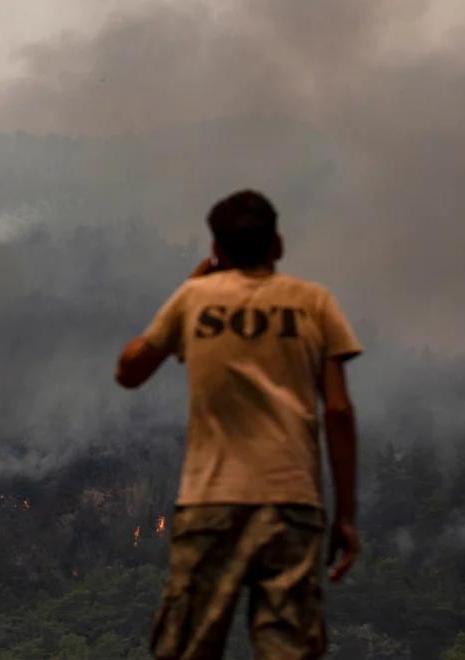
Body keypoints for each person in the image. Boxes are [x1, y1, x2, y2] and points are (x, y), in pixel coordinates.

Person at [115, 190, 360, 659]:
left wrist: (192, 283)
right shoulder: (315, 303)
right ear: (278, 246)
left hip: (211, 501)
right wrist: (345, 514)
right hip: (292, 503)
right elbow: (339, 412)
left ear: (218, 252)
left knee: (185, 647)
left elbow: (130, 371)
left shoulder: (194, 299)